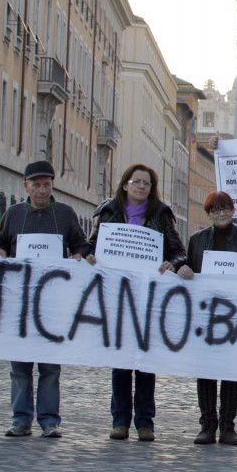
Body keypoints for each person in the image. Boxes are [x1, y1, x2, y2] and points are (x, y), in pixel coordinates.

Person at [89, 163, 186, 442]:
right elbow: (93, 246)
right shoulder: (108, 212)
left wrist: (172, 263)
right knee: (121, 360)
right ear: (125, 185)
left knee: (145, 360)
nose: (142, 187)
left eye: (147, 183)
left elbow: (179, 251)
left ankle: (145, 422)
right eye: (137, 182)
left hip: (149, 295)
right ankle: (120, 420)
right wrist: (93, 257)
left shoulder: (161, 214)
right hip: (117, 294)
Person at [0, 161, 91, 438]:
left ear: (52, 186)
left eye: (46, 185)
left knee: (50, 366)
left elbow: (81, 243)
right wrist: (1, 254)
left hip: (53, 302)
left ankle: (49, 420)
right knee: (20, 366)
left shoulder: (65, 213)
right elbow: (2, 242)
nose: (41, 190)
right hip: (20, 300)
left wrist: (78, 256)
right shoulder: (13, 213)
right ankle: (20, 419)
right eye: (36, 185)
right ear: (25, 186)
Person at [178, 191, 237, 445]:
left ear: (233, 210)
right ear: (208, 214)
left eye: (226, 208)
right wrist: (182, 269)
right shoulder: (197, 240)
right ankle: (207, 425)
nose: (221, 213)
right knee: (206, 371)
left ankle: (228, 426)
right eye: (216, 210)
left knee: (231, 371)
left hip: (235, 315)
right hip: (205, 315)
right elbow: (189, 270)